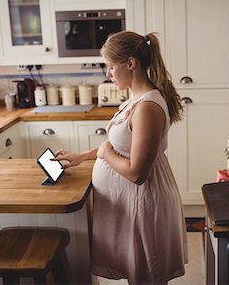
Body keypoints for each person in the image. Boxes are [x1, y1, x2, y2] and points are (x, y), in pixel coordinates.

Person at [52, 31, 188, 284]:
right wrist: (83, 156)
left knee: (146, 276)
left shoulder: (147, 108)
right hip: (131, 205)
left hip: (143, 204)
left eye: (111, 67)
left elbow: (137, 173)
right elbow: (121, 147)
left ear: (131, 63)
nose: (108, 74)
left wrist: (103, 153)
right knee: (137, 273)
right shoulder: (134, 100)